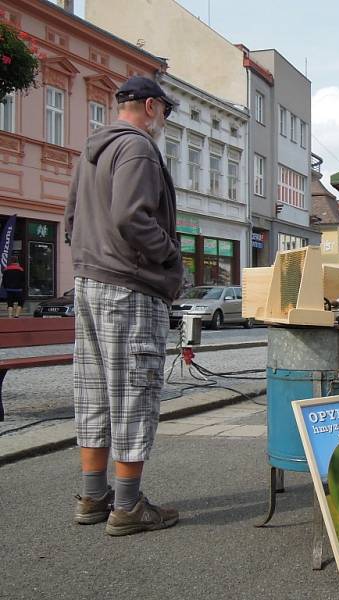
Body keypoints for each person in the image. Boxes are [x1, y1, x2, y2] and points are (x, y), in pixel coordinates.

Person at [65, 76, 182, 536]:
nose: (164, 123)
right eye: (165, 114)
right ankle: (128, 506)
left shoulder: (91, 150)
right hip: (129, 287)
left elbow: (72, 218)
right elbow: (132, 217)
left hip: (91, 282)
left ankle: (94, 496)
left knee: (93, 392)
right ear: (151, 107)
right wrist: (170, 257)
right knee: (134, 391)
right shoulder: (137, 148)